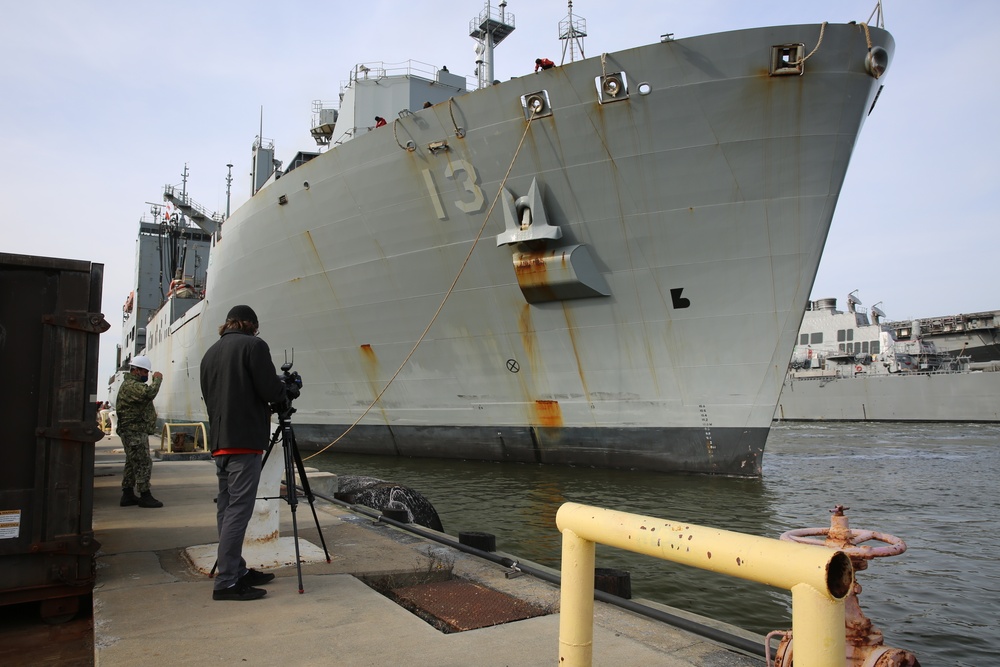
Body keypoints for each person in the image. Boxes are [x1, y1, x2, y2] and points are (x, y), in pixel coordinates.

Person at [200, 305, 290, 601]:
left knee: (227, 508)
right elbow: (270, 390)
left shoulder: (210, 353)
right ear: (251, 325)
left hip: (220, 443)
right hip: (244, 442)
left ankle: (235, 569)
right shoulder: (253, 346)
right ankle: (227, 581)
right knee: (239, 509)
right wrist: (284, 391)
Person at [116, 356, 164, 508]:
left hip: (134, 430)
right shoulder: (131, 385)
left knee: (132, 462)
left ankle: (127, 494)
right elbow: (149, 393)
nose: (146, 375)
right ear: (135, 370)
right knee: (143, 462)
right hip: (134, 431)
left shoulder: (130, 384)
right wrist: (157, 380)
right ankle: (145, 495)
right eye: (144, 372)